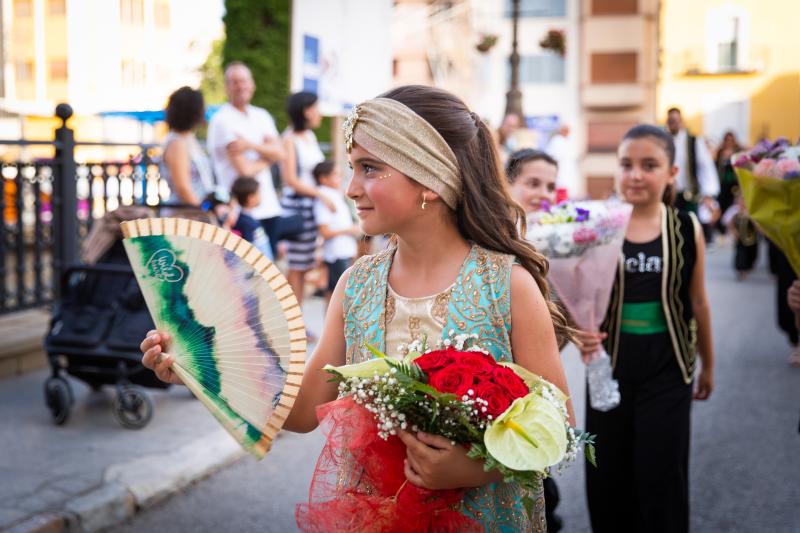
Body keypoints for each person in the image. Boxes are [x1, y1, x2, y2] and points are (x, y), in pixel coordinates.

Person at [140, 84, 574, 531]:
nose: (350, 188)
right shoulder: (356, 287)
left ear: (430, 176)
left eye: (369, 168)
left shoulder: (507, 286)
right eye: (352, 168)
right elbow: (305, 410)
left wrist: (476, 467)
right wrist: (200, 364)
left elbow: (559, 425)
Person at [576, 124, 714, 533]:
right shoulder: (597, 226)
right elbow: (574, 295)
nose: (635, 174)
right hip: (609, 366)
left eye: (649, 165)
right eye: (626, 164)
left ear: (672, 173)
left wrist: (709, 366)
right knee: (608, 472)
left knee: (661, 471)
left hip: (668, 367)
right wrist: (577, 331)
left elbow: (699, 302)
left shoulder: (687, 228)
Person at [506, 148, 564, 533]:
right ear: (506, 186)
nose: (543, 193)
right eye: (532, 183)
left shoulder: (560, 242)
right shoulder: (499, 245)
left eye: (550, 186)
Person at [206, 62, 286, 252]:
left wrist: (250, 145)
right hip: (239, 211)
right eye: (234, 82)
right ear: (227, 87)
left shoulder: (262, 115)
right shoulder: (222, 120)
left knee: (269, 273)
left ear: (252, 84)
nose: (240, 86)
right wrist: (268, 154)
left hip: (268, 205)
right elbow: (245, 170)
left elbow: (282, 153)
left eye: (244, 81)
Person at [280, 92, 334, 306]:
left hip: (310, 205)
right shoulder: (289, 139)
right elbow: (290, 179)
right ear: (305, 111)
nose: (319, 112)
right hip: (297, 206)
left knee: (305, 265)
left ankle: (296, 320)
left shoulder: (309, 137)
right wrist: (320, 194)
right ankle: (294, 321)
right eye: (316, 108)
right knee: (297, 266)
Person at [312, 160, 360, 306]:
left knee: (335, 290)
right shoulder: (323, 199)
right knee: (338, 292)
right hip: (336, 252)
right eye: (335, 175)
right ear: (323, 178)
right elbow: (324, 232)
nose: (339, 178)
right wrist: (350, 230)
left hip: (344, 250)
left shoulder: (334, 195)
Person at [160, 87, 214, 206]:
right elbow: (183, 189)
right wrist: (204, 211)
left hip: (193, 213)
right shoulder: (176, 144)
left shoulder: (187, 139)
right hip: (187, 216)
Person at [665, 108, 720, 214]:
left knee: (689, 225)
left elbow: (706, 165)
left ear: (681, 122)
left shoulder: (694, 141)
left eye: (675, 120)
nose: (673, 124)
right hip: (669, 194)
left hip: (689, 194)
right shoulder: (664, 141)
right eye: (670, 121)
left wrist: (708, 193)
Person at [229, 177, 273, 261]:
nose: (261, 196)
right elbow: (250, 251)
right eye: (258, 193)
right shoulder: (246, 223)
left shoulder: (249, 219)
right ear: (251, 198)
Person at [714, 131, 743, 237]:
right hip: (723, 183)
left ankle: (732, 228)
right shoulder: (720, 152)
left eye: (731, 140)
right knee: (721, 204)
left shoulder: (738, 152)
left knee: (732, 206)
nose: (729, 142)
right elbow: (716, 166)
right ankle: (722, 230)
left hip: (734, 183)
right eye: (727, 140)